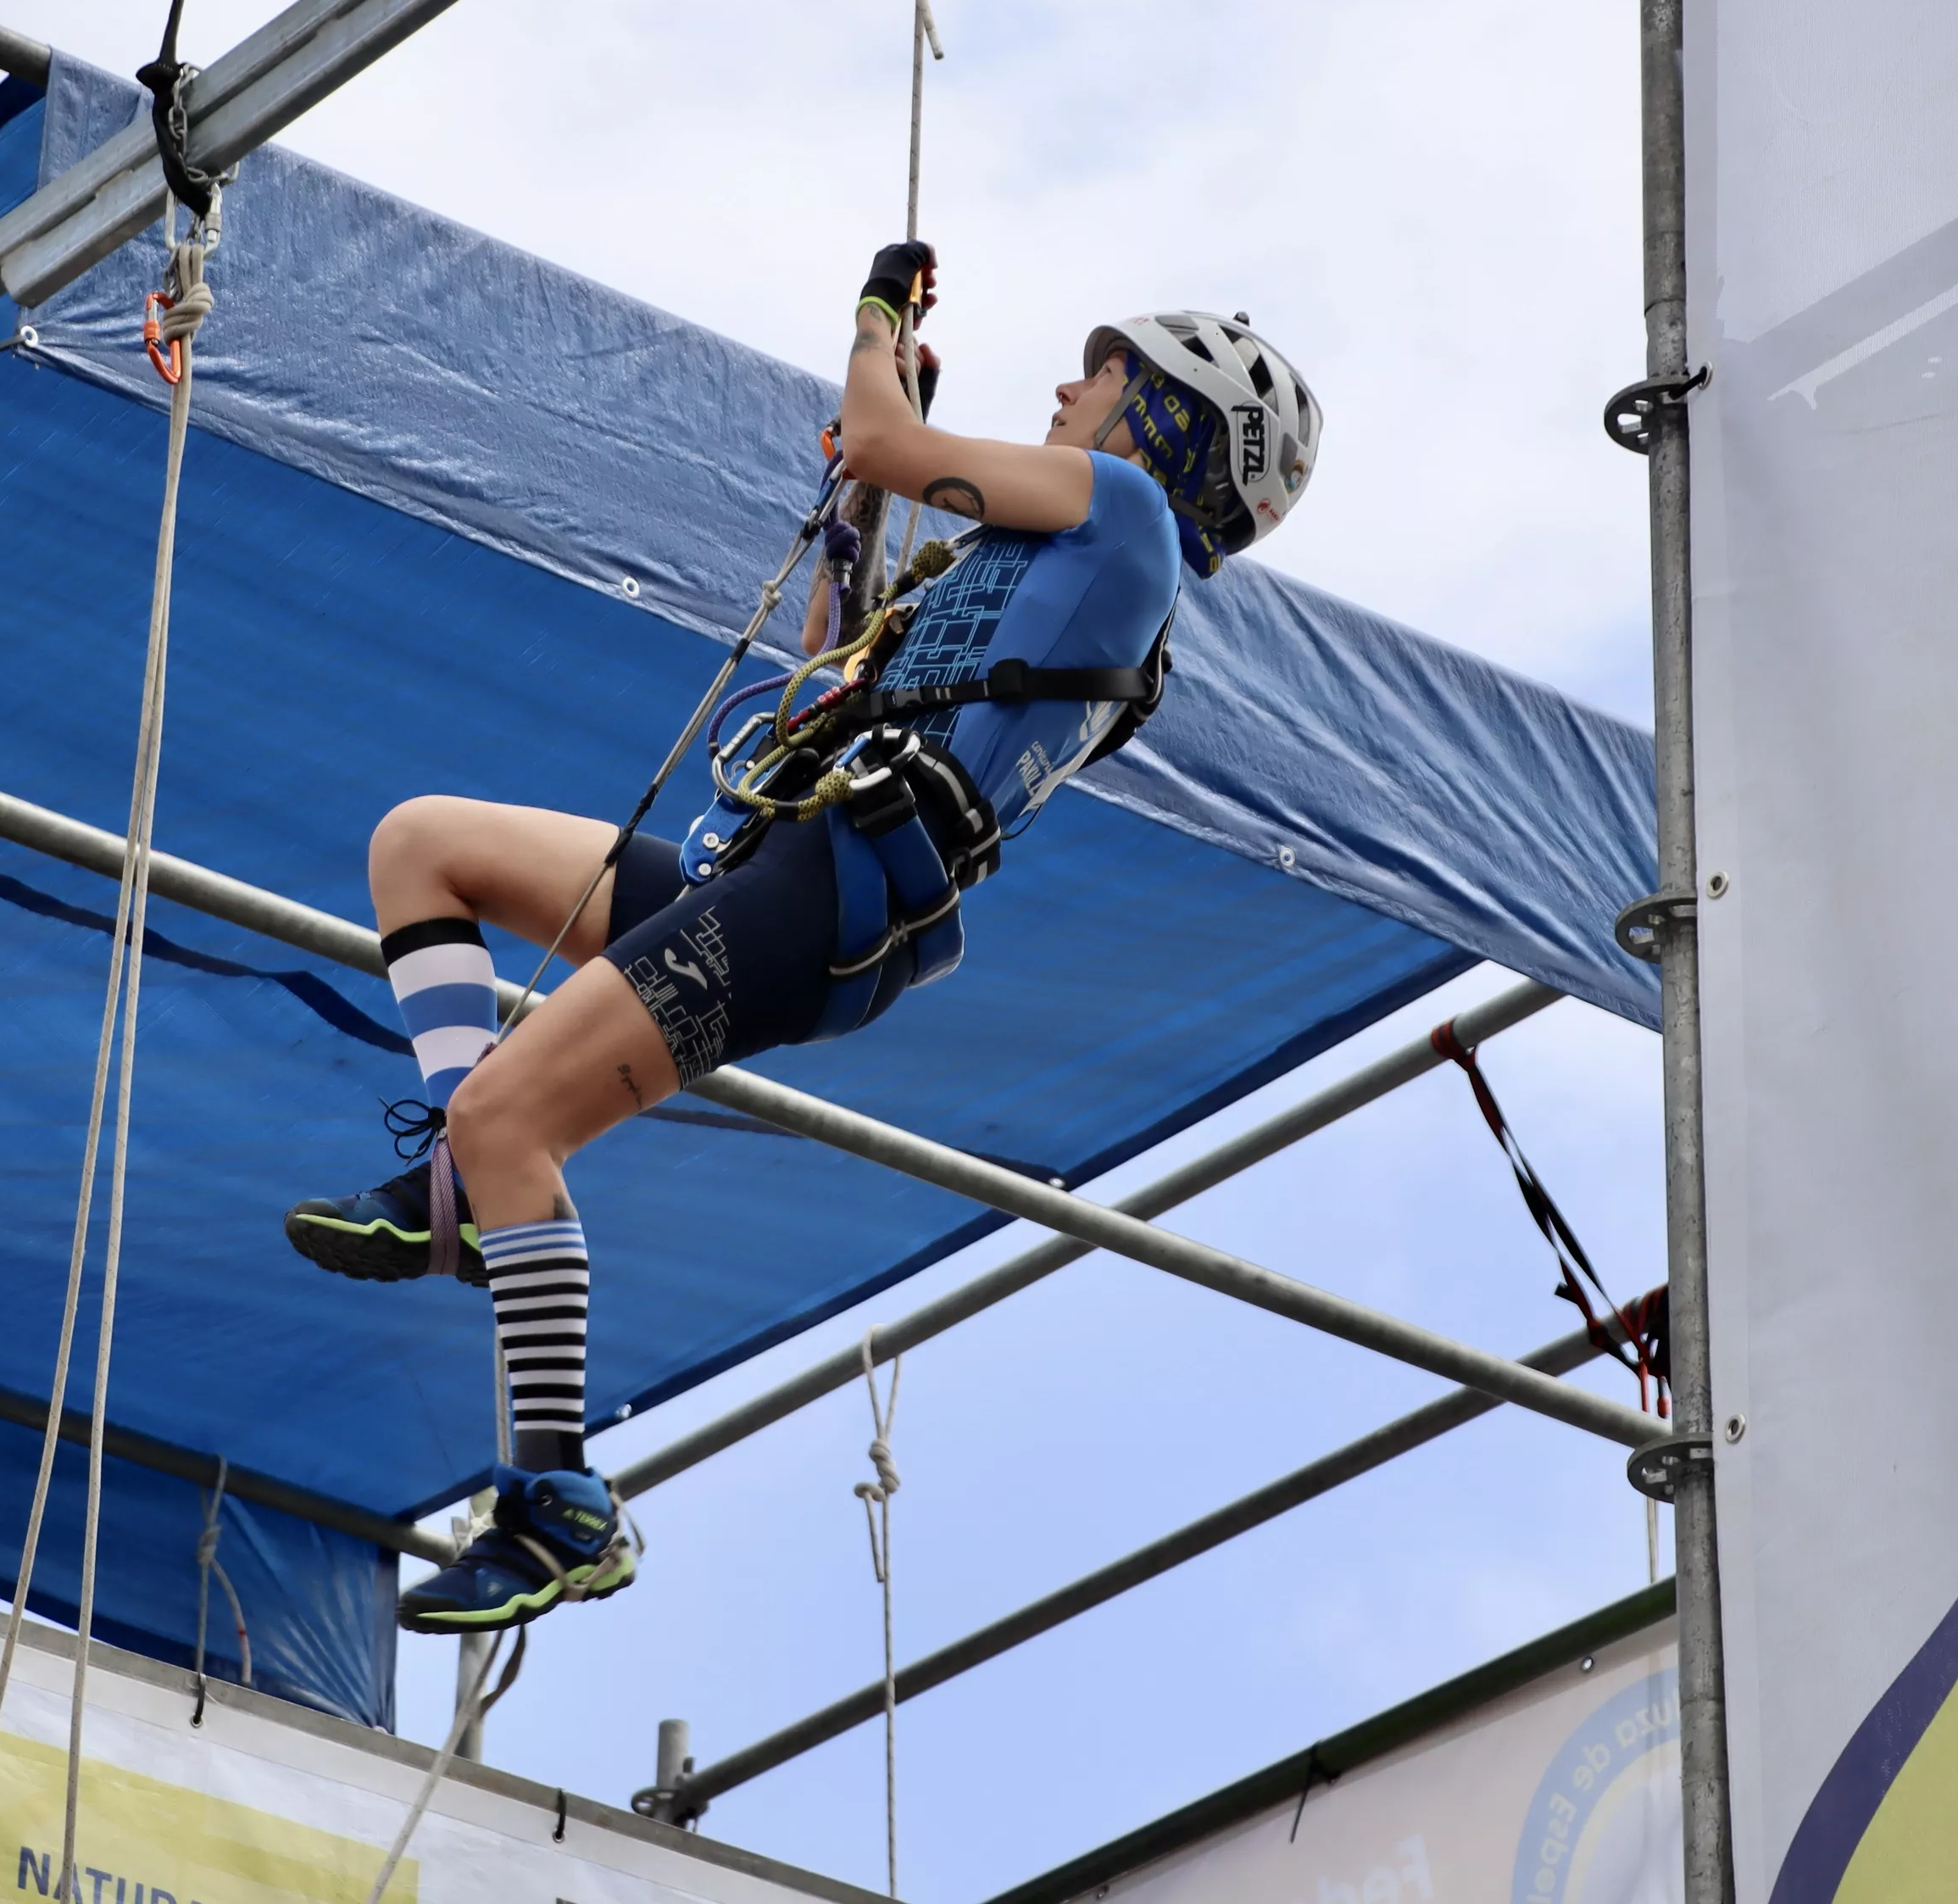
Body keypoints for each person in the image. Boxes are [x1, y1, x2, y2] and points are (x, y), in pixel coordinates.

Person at [283, 242, 1321, 1634]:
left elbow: (890, 441)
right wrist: (854, 536)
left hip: (824, 887)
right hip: (789, 862)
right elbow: (822, 685)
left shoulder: (1121, 508)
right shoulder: (1054, 562)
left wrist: (879, 325)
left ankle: (556, 1503)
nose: (1071, 389)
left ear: (1166, 422)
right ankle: (453, 1194)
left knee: (515, 1118)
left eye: (1108, 372)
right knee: (424, 844)